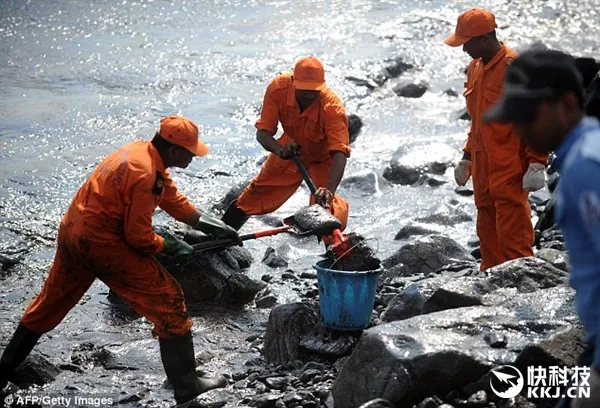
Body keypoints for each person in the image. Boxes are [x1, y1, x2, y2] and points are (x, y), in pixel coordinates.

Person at [0, 116, 241, 406]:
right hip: (104, 245)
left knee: (49, 304)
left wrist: (206, 222)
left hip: (74, 233)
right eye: (190, 152)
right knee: (169, 301)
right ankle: (187, 384)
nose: (193, 157)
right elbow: (138, 237)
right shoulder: (146, 175)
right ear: (174, 150)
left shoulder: (139, 153)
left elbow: (171, 197)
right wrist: (171, 245)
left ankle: (2, 374)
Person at [484, 48, 600, 408]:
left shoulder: (585, 169)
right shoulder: (589, 147)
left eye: (528, 116)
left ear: (567, 104)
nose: (519, 129)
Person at [444, 8, 549, 271]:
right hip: (482, 167)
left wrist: (537, 162)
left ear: (483, 38)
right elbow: (478, 121)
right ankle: (490, 280)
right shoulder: (475, 67)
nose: (463, 48)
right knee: (487, 232)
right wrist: (467, 158)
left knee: (513, 237)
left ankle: (525, 287)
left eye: (466, 43)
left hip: (509, 166)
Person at [220, 56, 351, 243]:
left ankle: (334, 253)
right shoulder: (278, 89)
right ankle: (220, 236)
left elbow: (340, 152)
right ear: (293, 82)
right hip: (291, 150)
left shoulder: (332, 108)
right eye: (304, 90)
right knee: (257, 192)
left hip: (323, 157)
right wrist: (280, 150)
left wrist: (329, 189)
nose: (309, 95)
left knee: (325, 209)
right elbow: (263, 134)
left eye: (314, 91)